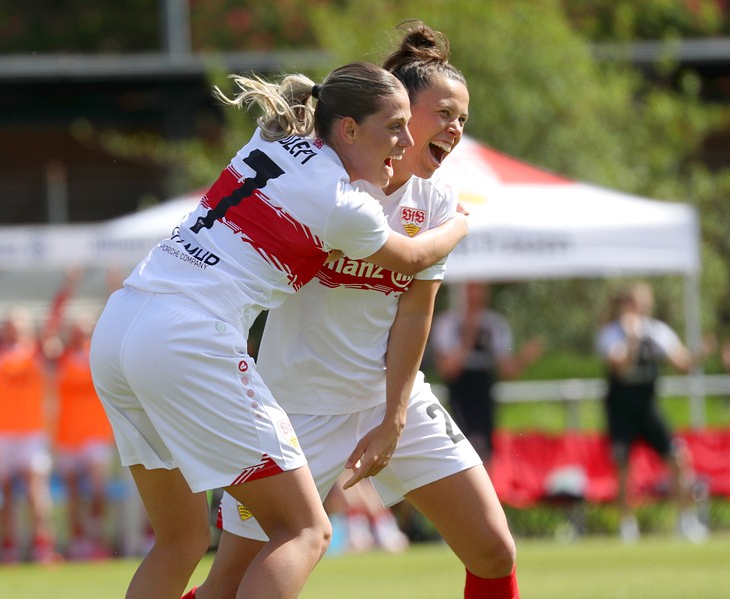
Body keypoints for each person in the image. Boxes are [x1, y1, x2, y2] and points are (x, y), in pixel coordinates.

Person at [89, 60, 468, 599]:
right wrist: (459, 224)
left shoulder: (275, 140)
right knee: (305, 530)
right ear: (349, 129)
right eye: (394, 127)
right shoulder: (345, 205)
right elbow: (411, 258)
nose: (406, 142)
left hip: (121, 324)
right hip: (186, 337)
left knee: (180, 541)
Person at [189, 22, 519, 599]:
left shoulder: (436, 198)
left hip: (387, 399)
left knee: (494, 550)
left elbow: (415, 313)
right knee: (228, 582)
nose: (455, 128)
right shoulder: (328, 179)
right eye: (444, 113)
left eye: (463, 119)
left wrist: (394, 416)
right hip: (296, 410)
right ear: (399, 109)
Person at [0, 269, 75, 564]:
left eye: (18, 324)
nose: (13, 329)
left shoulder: (36, 353)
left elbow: (53, 320)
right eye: (9, 324)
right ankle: (9, 548)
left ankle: (43, 546)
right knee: (4, 494)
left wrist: (67, 286)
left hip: (31, 433)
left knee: (37, 491)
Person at [596, 281, 708, 544]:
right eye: (637, 303)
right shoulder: (611, 334)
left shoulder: (657, 332)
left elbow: (683, 364)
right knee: (623, 465)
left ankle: (685, 520)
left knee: (677, 457)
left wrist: (701, 354)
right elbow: (621, 368)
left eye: (646, 303)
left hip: (647, 408)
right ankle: (626, 524)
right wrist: (632, 339)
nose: (642, 308)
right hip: (620, 409)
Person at [432, 280, 543, 466]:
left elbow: (507, 370)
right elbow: (449, 369)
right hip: (460, 391)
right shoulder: (448, 323)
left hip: (484, 389)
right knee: (460, 447)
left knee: (486, 449)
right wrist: (469, 333)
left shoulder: (495, 324)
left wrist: (524, 357)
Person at [50, 307, 117, 560]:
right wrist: (66, 294)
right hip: (68, 435)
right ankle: (78, 540)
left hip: (96, 433)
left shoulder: (98, 355)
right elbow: (49, 331)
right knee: (72, 494)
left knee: (98, 490)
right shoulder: (61, 357)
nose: (81, 333)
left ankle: (96, 536)